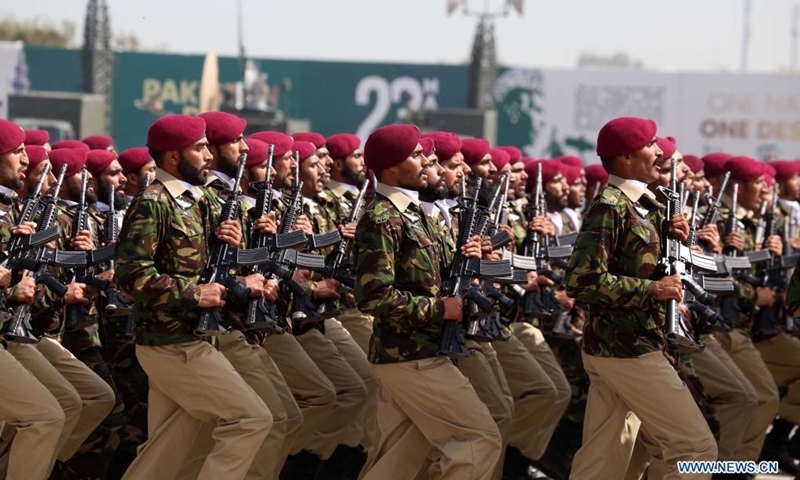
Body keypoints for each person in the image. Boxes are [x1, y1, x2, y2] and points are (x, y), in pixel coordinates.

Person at [114, 114, 273, 480]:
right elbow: (130, 276)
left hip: (193, 337)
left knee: (171, 448)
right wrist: (193, 293)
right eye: (199, 148)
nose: (207, 156)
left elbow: (207, 268)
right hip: (172, 341)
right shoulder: (153, 203)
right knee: (251, 418)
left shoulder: (198, 201)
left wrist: (236, 248)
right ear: (172, 157)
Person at [565, 117, 717, 479]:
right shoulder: (611, 206)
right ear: (628, 157)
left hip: (626, 344)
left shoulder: (642, 205)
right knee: (695, 448)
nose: (658, 152)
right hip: (627, 347)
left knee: (606, 461)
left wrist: (669, 238)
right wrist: (653, 289)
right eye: (650, 146)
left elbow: (635, 261)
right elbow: (581, 281)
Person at [354, 124, 501, 480]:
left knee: (398, 463)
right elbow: (373, 297)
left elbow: (438, 277)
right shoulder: (382, 217)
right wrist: (441, 309)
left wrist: (472, 262)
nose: (425, 162)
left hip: (424, 350)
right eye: (416, 155)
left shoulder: (416, 212)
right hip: (410, 355)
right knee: (479, 439)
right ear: (391, 166)